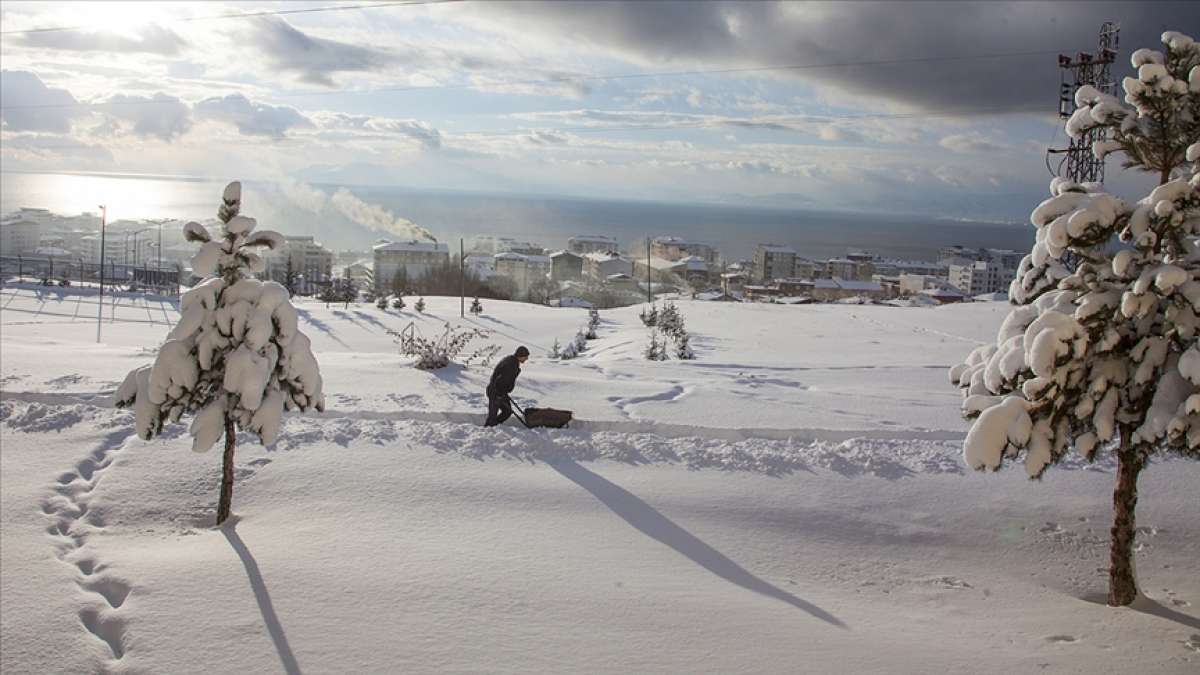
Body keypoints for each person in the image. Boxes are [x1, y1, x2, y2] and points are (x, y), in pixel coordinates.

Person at [485, 346, 529, 427]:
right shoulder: (511, 364)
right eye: (525, 357)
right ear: (520, 355)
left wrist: (504, 392)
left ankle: (494, 427)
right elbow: (500, 379)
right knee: (493, 416)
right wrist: (499, 393)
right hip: (495, 392)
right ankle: (488, 430)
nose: (526, 359)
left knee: (507, 412)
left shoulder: (512, 361)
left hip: (501, 392)